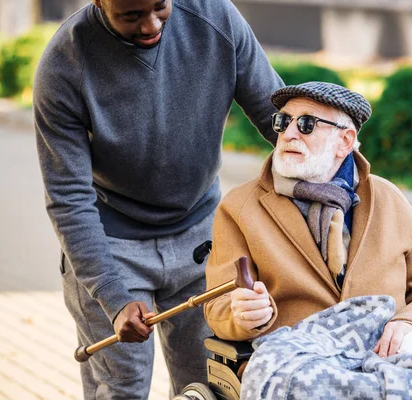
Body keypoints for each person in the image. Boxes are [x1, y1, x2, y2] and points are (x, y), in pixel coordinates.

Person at [33, 0, 282, 397]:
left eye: (160, 6)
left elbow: (279, 119)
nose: (150, 25)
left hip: (200, 237)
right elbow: (68, 197)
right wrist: (113, 299)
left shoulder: (214, 17)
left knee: (206, 386)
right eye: (131, 15)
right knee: (122, 390)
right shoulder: (64, 66)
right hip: (112, 246)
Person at [204, 82, 412, 357]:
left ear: (345, 142)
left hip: (386, 361)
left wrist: (411, 323)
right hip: (297, 364)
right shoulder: (240, 207)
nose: (289, 133)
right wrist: (242, 315)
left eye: (307, 124)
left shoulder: (388, 200)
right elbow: (217, 304)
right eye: (283, 121)